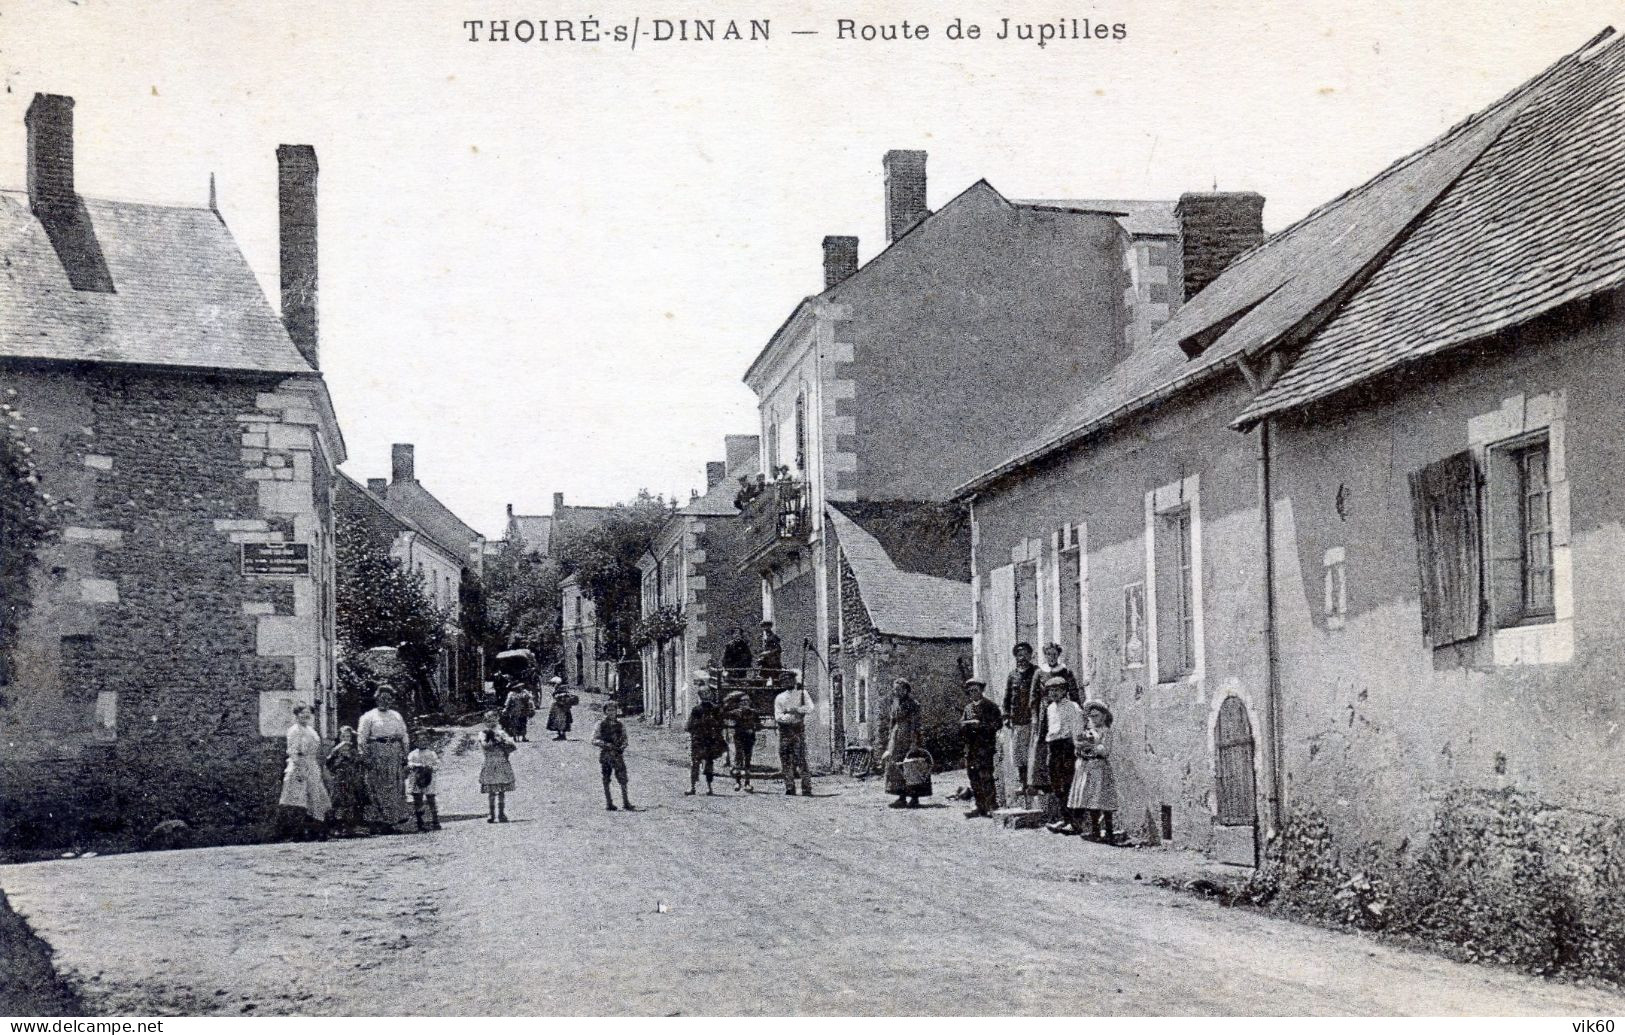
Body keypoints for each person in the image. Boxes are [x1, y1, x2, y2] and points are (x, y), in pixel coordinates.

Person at [358, 687, 412, 833]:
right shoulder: (369, 716)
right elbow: (362, 738)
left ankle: (392, 820)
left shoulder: (396, 715)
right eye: (382, 698)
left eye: (388, 698)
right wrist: (365, 756)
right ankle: (379, 821)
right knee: (378, 785)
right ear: (377, 699)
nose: (385, 701)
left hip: (393, 751)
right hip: (376, 751)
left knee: (393, 785)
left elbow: (403, 735)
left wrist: (405, 754)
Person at [278, 703, 331, 840]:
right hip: (299, 766)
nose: (305, 715)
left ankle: (316, 830)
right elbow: (293, 752)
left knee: (316, 797)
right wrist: (300, 770)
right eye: (302, 713)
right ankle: (298, 833)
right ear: (296, 715)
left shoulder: (311, 730)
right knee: (298, 800)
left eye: (308, 713)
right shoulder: (294, 730)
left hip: (311, 765)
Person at [1071, 701, 1121, 844]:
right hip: (1088, 768)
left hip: (1100, 769)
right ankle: (1095, 830)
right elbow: (1079, 749)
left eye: (1096, 716)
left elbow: (1105, 750)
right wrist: (1080, 749)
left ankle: (1110, 832)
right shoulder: (1087, 732)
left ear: (1104, 716)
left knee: (1104, 800)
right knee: (1092, 800)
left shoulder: (1106, 731)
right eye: (1091, 717)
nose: (1093, 719)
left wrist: (1092, 746)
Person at [1041, 677, 1086, 834]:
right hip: (1054, 747)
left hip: (1068, 746)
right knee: (1056, 783)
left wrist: (1077, 748)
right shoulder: (1050, 708)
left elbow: (1078, 728)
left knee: (1069, 782)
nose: (1053, 693)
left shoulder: (1073, 707)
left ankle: (1075, 822)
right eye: (1050, 691)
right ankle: (1064, 818)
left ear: (1064, 691)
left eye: (1057, 690)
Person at [959, 678, 1003, 818]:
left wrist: (982, 726)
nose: (973, 693)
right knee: (973, 777)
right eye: (970, 691)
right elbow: (962, 725)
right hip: (971, 748)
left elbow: (998, 724)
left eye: (975, 690)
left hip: (985, 747)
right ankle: (979, 806)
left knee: (986, 776)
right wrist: (965, 726)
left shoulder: (991, 706)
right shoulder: (967, 708)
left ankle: (991, 805)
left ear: (982, 690)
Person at [1003, 643, 1041, 792]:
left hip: (1032, 720)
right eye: (1019, 655)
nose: (1022, 658)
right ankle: (1023, 782)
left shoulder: (1036, 672)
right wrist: (1006, 715)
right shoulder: (1012, 675)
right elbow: (1007, 697)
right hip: (1017, 721)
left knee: (1032, 752)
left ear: (1031, 656)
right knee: (1018, 753)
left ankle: (1033, 784)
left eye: (1025, 654)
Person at [882, 678, 924, 809]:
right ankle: (901, 796)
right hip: (896, 738)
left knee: (911, 767)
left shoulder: (913, 704)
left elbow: (915, 725)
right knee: (896, 767)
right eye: (895, 689)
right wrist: (890, 737)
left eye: (899, 689)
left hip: (909, 737)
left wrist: (914, 742)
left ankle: (915, 797)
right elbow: (892, 721)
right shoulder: (895, 703)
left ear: (906, 690)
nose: (896, 692)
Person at [685, 676, 727, 795]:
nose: (706, 695)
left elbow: (720, 724)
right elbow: (689, 725)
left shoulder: (715, 709)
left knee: (708, 763)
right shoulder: (696, 710)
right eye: (703, 693)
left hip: (709, 739)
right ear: (699, 696)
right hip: (698, 739)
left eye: (708, 693)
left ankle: (708, 787)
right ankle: (692, 787)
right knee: (695, 763)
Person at [592, 701, 635, 811]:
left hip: (617, 754)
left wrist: (623, 746)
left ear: (617, 711)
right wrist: (605, 744)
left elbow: (625, 738)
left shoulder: (620, 725)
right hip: (606, 754)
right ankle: (609, 803)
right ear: (605, 712)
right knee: (606, 778)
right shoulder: (600, 724)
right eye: (609, 710)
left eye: (613, 710)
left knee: (623, 778)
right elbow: (593, 739)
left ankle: (626, 802)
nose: (611, 712)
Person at [773, 681, 814, 796]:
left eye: (790, 679)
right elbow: (778, 716)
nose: (788, 682)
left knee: (802, 759)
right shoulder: (780, 697)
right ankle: (790, 787)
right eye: (785, 680)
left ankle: (806, 787)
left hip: (798, 730)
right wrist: (790, 717)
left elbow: (810, 708)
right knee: (786, 759)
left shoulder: (803, 694)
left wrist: (797, 709)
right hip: (785, 731)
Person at [326, 725, 367, 836]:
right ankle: (337, 827)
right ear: (339, 737)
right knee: (338, 802)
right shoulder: (335, 750)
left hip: (351, 779)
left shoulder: (353, 750)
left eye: (348, 736)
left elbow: (359, 763)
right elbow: (329, 763)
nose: (346, 739)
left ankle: (350, 827)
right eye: (343, 736)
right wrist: (337, 755)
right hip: (339, 779)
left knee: (351, 801)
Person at [478, 711, 517, 823]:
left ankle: (501, 813)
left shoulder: (502, 733)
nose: (491, 722)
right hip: (490, 762)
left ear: (497, 720)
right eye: (488, 720)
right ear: (485, 722)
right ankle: (491, 813)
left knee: (501, 791)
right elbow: (485, 746)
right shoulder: (483, 733)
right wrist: (493, 741)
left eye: (493, 720)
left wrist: (504, 743)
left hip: (501, 761)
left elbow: (512, 747)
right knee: (491, 791)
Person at [406, 729, 442, 832]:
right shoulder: (413, 754)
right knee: (418, 800)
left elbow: (437, 765)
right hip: (416, 780)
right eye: (420, 740)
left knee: (431, 799)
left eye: (424, 740)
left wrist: (431, 767)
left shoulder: (431, 753)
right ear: (415, 742)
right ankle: (420, 822)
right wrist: (416, 765)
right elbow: (409, 764)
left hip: (428, 780)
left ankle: (435, 821)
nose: (422, 742)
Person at [729, 693, 759, 792]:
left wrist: (753, 728)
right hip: (739, 738)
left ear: (750, 703)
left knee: (747, 760)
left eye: (747, 701)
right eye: (743, 701)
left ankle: (747, 783)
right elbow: (724, 714)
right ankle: (737, 782)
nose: (745, 703)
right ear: (739, 703)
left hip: (749, 738)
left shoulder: (753, 713)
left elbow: (759, 725)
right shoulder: (735, 713)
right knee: (739, 759)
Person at [545, 677, 576, 741]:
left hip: (560, 707)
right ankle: (561, 735)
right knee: (559, 721)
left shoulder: (560, 689)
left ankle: (562, 735)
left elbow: (557, 696)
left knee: (560, 720)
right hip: (560, 707)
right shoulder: (561, 689)